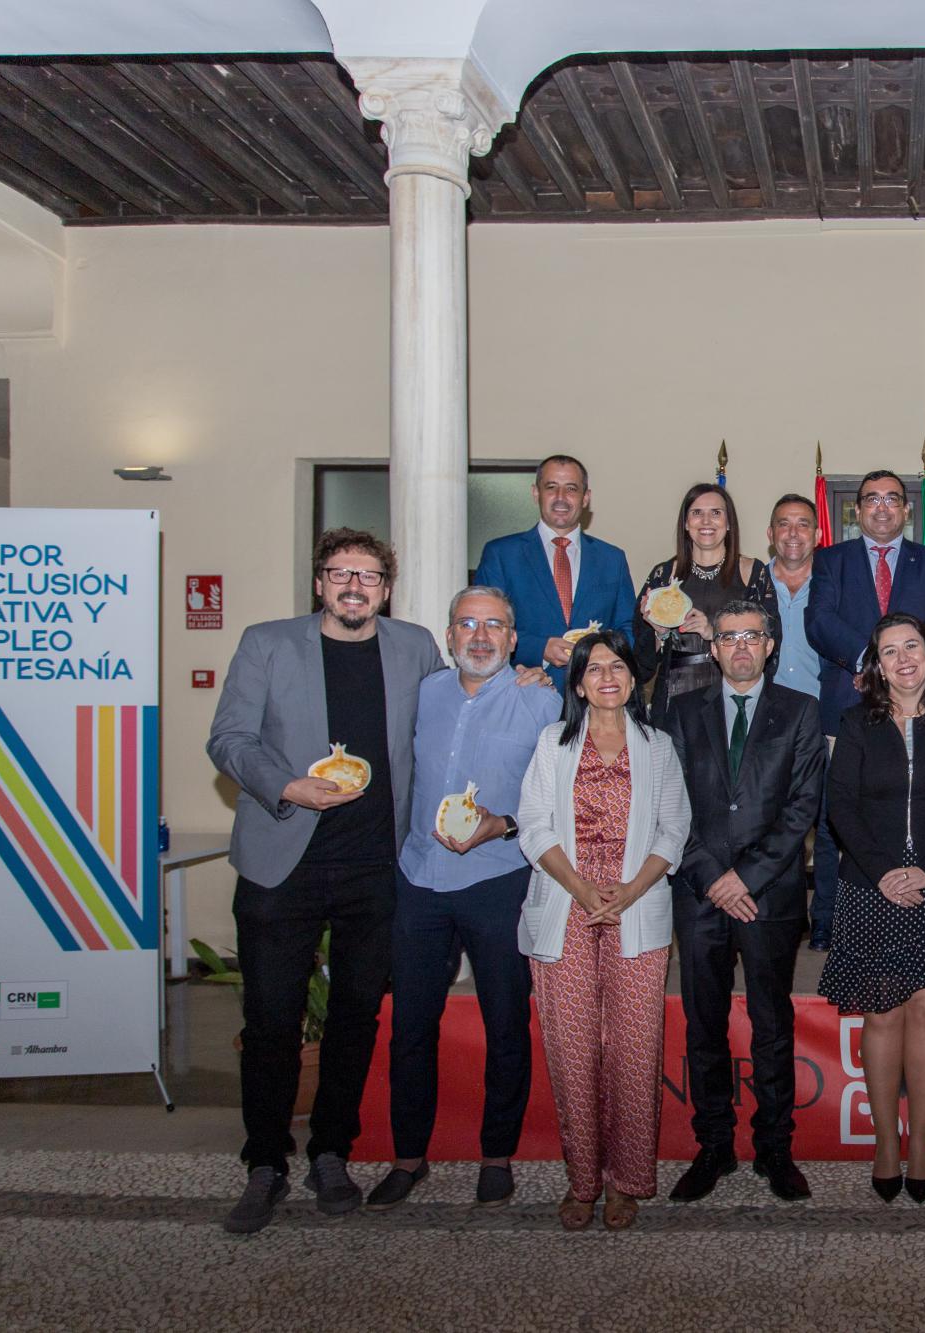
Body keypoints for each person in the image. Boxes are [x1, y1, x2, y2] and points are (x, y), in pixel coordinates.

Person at [205, 528, 443, 1235]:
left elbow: (453, 713)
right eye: (341, 573)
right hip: (283, 863)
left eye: (368, 576)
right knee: (271, 1021)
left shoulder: (415, 647)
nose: (353, 586)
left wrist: (525, 679)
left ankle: (331, 1150)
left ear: (386, 589)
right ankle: (265, 1161)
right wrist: (288, 786)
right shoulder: (267, 644)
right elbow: (229, 738)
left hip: (375, 867)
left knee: (355, 1017)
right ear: (319, 583)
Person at [365, 587, 561, 1212]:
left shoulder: (542, 702)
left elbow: (557, 800)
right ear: (449, 636)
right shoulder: (423, 694)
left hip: (499, 879)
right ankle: (408, 1157)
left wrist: (503, 824)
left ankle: (496, 1155)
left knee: (506, 1024)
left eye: (494, 625)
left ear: (513, 639)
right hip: (419, 880)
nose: (480, 636)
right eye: (467, 624)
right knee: (410, 1027)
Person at [516, 631, 691, 1232]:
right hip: (565, 904)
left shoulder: (657, 746)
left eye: (618, 666)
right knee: (573, 1051)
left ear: (633, 678)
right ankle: (583, 1180)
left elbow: (674, 829)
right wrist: (582, 889)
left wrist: (630, 891)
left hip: (636, 906)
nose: (607, 677)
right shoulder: (553, 742)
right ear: (579, 682)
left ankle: (626, 1181)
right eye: (594, 669)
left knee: (636, 1049)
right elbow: (533, 826)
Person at [818, 612, 925, 1204]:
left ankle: (923, 1145)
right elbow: (840, 805)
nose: (903, 659)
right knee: (882, 1011)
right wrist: (884, 872)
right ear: (878, 666)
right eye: (889, 651)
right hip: (872, 886)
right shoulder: (855, 723)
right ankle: (886, 1143)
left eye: (911, 646)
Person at [661, 600, 825, 1203]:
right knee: (703, 1024)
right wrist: (713, 877)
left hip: (768, 896)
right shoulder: (681, 711)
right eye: (728, 637)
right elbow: (669, 800)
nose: (740, 647)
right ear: (713, 648)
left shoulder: (800, 711)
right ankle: (713, 1146)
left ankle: (775, 1148)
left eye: (751, 636)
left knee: (771, 1025)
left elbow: (803, 805)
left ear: (770, 645)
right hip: (701, 892)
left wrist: (747, 877)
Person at [803, 469, 925, 950]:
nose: (883, 507)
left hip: (917, 707)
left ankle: (914, 911)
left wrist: (901, 666)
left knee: (912, 811)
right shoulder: (831, 559)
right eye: (872, 499)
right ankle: (828, 922)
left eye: (892, 498)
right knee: (838, 819)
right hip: (847, 702)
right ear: (857, 510)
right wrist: (870, 663)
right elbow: (819, 621)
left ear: (907, 509)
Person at [474, 454, 636, 690]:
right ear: (535, 493)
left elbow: (628, 628)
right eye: (551, 487)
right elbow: (485, 627)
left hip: (596, 696)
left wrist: (599, 654)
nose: (561, 497)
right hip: (525, 690)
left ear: (585, 498)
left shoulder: (612, 559)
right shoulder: (501, 554)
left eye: (571, 488)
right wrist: (540, 648)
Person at [633, 483, 779, 722]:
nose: (706, 521)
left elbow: (771, 641)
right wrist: (659, 632)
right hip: (674, 696)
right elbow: (641, 662)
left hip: (733, 692)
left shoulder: (753, 572)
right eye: (697, 512)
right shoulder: (663, 575)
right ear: (685, 523)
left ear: (729, 523)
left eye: (716, 513)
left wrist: (714, 633)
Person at [766, 494, 820, 702]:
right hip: (764, 711)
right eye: (784, 524)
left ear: (817, 535)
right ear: (771, 534)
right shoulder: (752, 586)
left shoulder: (836, 587)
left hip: (822, 710)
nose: (793, 533)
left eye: (803, 525)